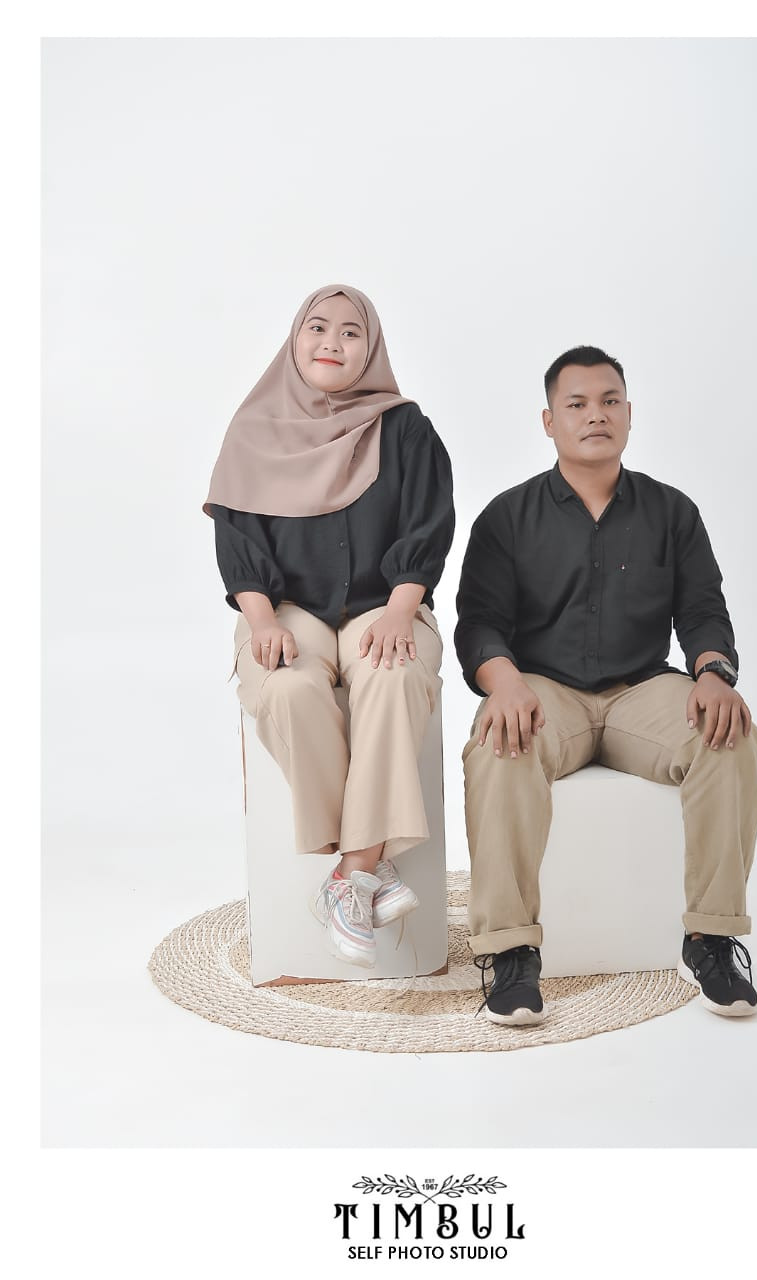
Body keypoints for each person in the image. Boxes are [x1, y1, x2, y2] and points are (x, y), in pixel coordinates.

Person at [455, 345, 757, 1026]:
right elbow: (479, 622)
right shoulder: (506, 517)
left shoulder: (671, 511)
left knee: (732, 734)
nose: (595, 415)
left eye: (609, 401)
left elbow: (702, 609)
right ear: (548, 421)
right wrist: (503, 683)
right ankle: (510, 952)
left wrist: (713, 673)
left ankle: (711, 939)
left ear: (629, 413)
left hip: (641, 692)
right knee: (498, 743)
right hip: (543, 692)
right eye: (577, 404)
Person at [205, 284, 454, 969]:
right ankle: (371, 864)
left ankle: (350, 874)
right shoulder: (253, 431)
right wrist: (260, 619)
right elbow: (235, 534)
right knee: (286, 688)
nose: (332, 343)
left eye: (350, 332)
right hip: (285, 610)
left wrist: (402, 608)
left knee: (393, 675)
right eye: (317, 327)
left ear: (370, 348)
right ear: (295, 339)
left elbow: (430, 522)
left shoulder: (405, 428)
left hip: (386, 603)